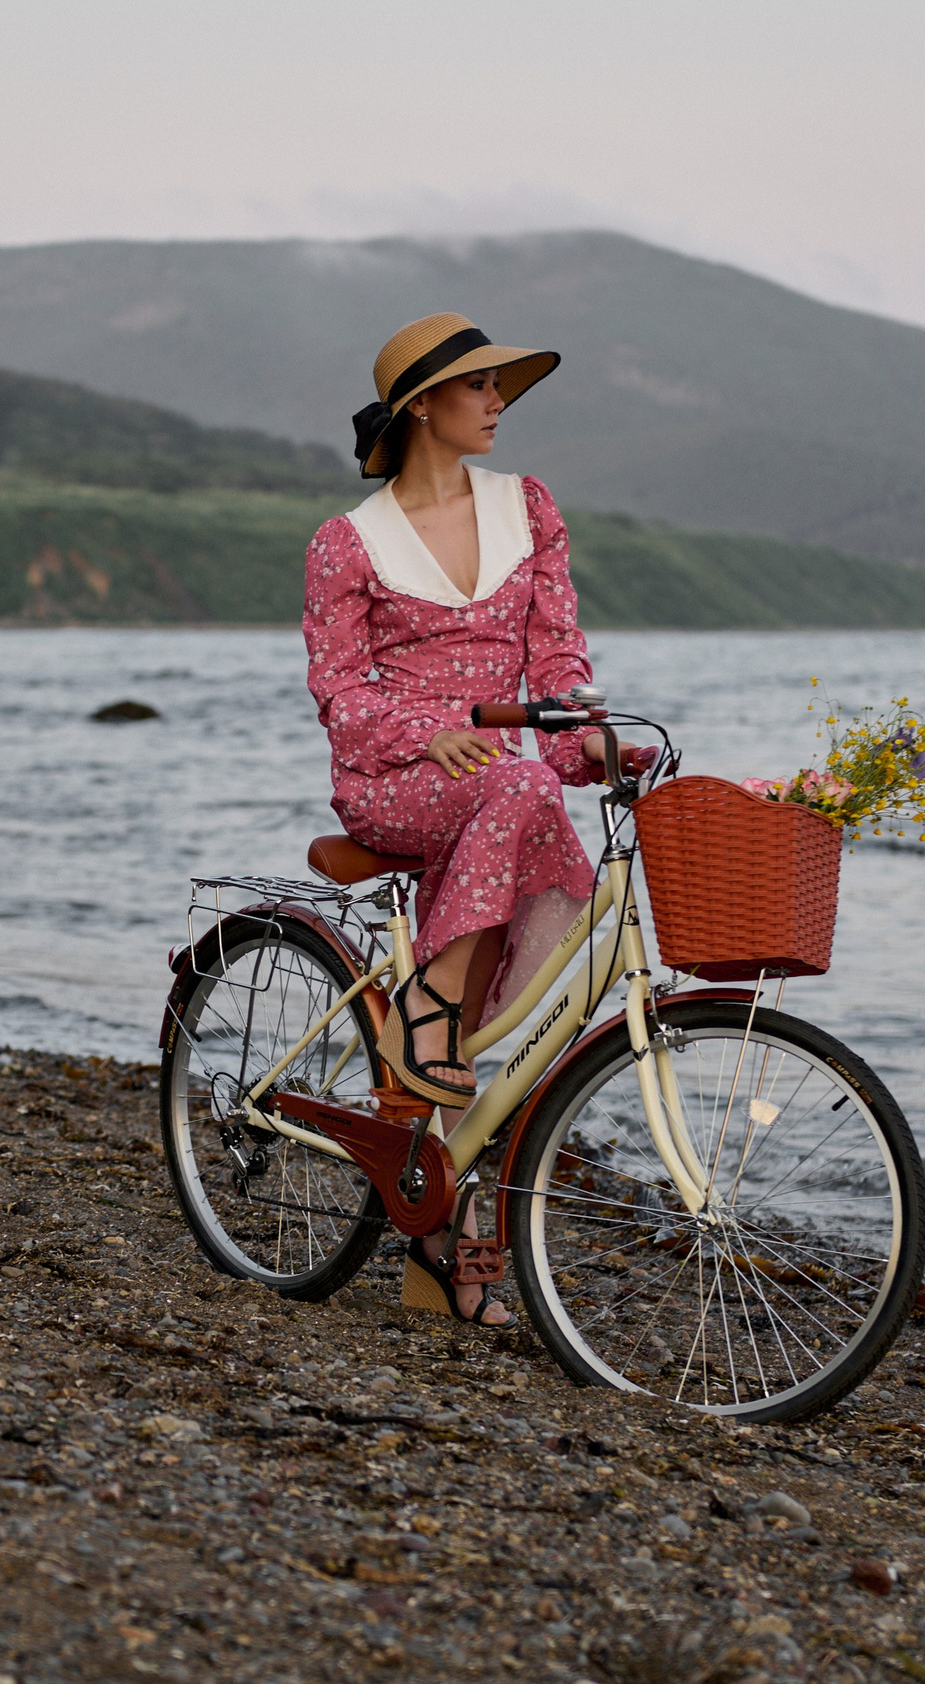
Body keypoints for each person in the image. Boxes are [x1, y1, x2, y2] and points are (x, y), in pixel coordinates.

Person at [302, 312, 649, 1324]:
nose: (499, 403)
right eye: (478, 387)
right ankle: (426, 1015)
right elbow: (339, 691)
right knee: (515, 790)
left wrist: (587, 733)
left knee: (531, 1026)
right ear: (421, 405)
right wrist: (437, 727)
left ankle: (439, 1238)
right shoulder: (346, 542)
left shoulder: (527, 507)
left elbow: (557, 656)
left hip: (507, 785)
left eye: (502, 387)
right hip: (395, 776)